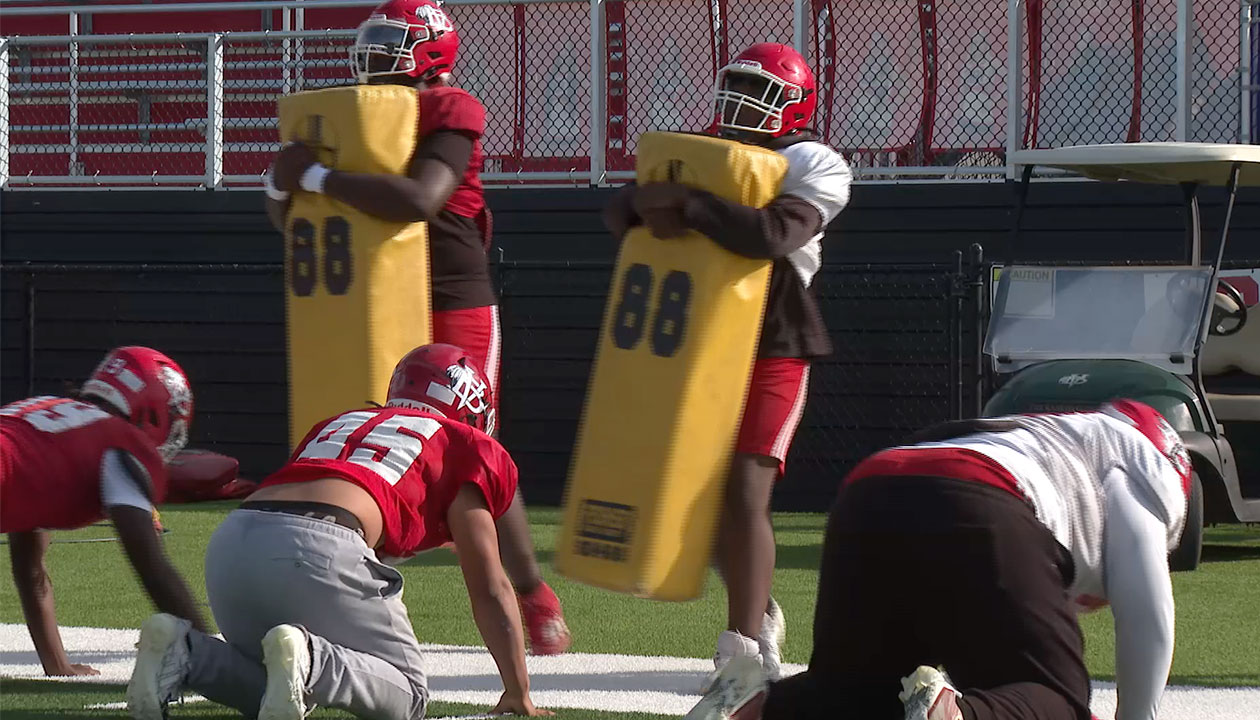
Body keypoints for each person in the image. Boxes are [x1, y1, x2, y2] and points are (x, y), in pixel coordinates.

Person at [264, 0, 570, 656]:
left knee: (474, 451)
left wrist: (313, 173)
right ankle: (344, 589)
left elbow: (419, 198)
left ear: (434, 50)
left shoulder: (450, 108)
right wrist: (283, 184)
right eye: (372, 42)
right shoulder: (351, 114)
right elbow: (289, 215)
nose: (376, 57)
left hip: (451, 296)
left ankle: (529, 592)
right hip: (373, 299)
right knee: (367, 439)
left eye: (392, 43)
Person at [685, 400, 1192, 720]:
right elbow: (1148, 608)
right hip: (976, 496)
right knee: (1054, 698)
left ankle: (751, 704)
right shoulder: (1145, 462)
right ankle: (949, 716)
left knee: (856, 697)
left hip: (871, 490)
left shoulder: (1054, 434)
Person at [602, 42, 852, 679]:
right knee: (703, 496)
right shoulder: (708, 154)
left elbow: (770, 236)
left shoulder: (813, 159)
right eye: (735, 85)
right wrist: (655, 201)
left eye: (760, 90)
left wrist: (686, 204)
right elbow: (619, 211)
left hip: (773, 343)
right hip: (701, 341)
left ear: (795, 104)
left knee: (746, 491)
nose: (741, 101)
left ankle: (743, 644)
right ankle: (759, 607)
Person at [127, 344, 550, 720]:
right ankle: (312, 660)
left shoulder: (344, 422)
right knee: (408, 694)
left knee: (275, 683)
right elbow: (491, 587)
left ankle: (186, 653)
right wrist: (518, 692)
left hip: (234, 541)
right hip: (321, 543)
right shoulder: (463, 443)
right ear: (472, 406)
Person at [0, 346, 206, 677]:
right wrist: (210, 653)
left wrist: (57, 665)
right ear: (153, 411)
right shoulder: (120, 441)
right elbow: (151, 566)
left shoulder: (50, 420)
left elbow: (30, 569)